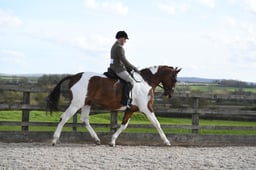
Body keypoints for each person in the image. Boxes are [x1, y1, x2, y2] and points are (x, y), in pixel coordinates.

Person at [109, 31, 139, 106]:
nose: (125, 41)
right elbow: (124, 60)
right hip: (118, 69)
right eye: (125, 39)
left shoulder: (114, 45)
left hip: (113, 67)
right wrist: (134, 68)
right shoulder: (119, 47)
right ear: (122, 38)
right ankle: (125, 101)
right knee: (131, 81)